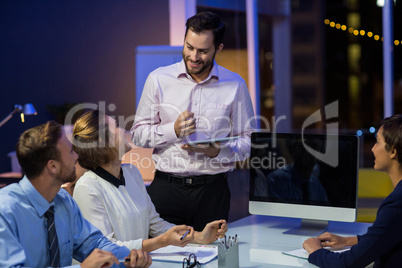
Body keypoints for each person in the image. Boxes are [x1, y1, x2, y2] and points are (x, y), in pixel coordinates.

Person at [131, 11, 256, 231]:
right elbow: (138, 134)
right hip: (165, 189)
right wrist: (174, 130)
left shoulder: (235, 85)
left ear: (218, 49)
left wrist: (218, 151)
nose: (194, 56)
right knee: (162, 260)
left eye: (203, 51)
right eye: (189, 47)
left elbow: (250, 143)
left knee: (212, 260)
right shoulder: (158, 79)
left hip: (213, 193)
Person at [0, 121, 151, 268]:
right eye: (71, 151)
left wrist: (130, 256)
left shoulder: (64, 201)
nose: (77, 157)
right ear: (53, 166)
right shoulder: (5, 211)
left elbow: (94, 243)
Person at [72, 110, 228, 252]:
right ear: (103, 141)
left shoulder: (132, 173)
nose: (123, 131)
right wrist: (161, 242)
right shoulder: (87, 188)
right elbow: (104, 249)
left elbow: (156, 225)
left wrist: (199, 237)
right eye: (117, 127)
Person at [303, 114, 402, 267]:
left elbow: (348, 263)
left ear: (393, 151)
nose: (372, 148)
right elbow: (389, 234)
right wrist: (348, 240)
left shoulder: (396, 204)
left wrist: (315, 251)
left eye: (377, 141)